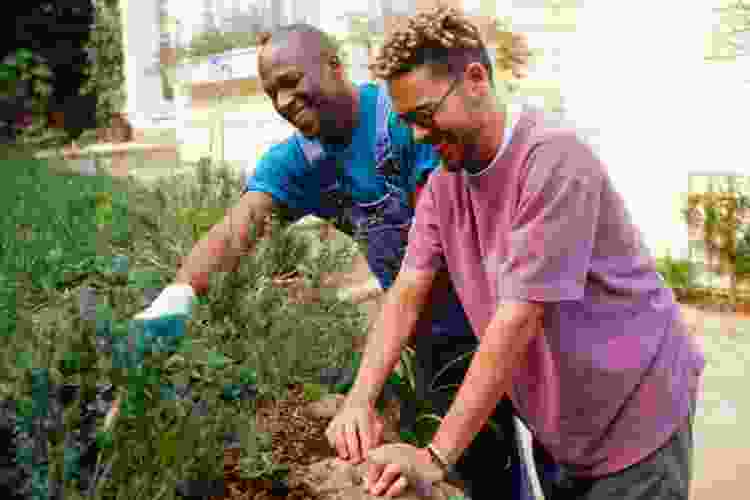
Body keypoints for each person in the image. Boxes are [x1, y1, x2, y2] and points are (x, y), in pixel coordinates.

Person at [134, 22, 535, 500]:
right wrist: (176, 297)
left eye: (289, 82)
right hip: (429, 339)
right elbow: (237, 227)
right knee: (480, 471)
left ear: (334, 66)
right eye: (270, 93)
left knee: (541, 452)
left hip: (497, 321)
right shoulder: (301, 161)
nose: (282, 102)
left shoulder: (407, 122)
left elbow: (437, 250)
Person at [329, 6, 706, 500]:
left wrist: (435, 457)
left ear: (476, 79)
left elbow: (515, 321)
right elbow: (406, 291)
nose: (418, 134)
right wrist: (359, 400)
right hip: (563, 427)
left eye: (425, 115)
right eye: (407, 123)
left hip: (636, 411)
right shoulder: (446, 184)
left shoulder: (552, 160)